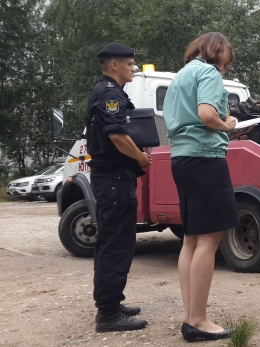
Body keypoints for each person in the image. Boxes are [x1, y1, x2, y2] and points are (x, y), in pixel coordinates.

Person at [163, 32, 251, 342]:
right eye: (226, 62)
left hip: (182, 159)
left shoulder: (181, 75)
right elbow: (207, 115)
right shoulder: (208, 72)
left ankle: (190, 317)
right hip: (205, 159)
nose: (225, 68)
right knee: (209, 240)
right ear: (219, 55)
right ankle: (198, 320)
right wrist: (228, 124)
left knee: (191, 239)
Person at [86, 42, 152, 332]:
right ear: (114, 65)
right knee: (116, 245)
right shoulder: (110, 94)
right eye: (129, 64)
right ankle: (108, 315)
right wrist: (140, 157)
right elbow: (116, 135)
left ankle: (111, 302)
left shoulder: (107, 92)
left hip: (112, 180)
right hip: (114, 180)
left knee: (113, 243)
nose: (133, 68)